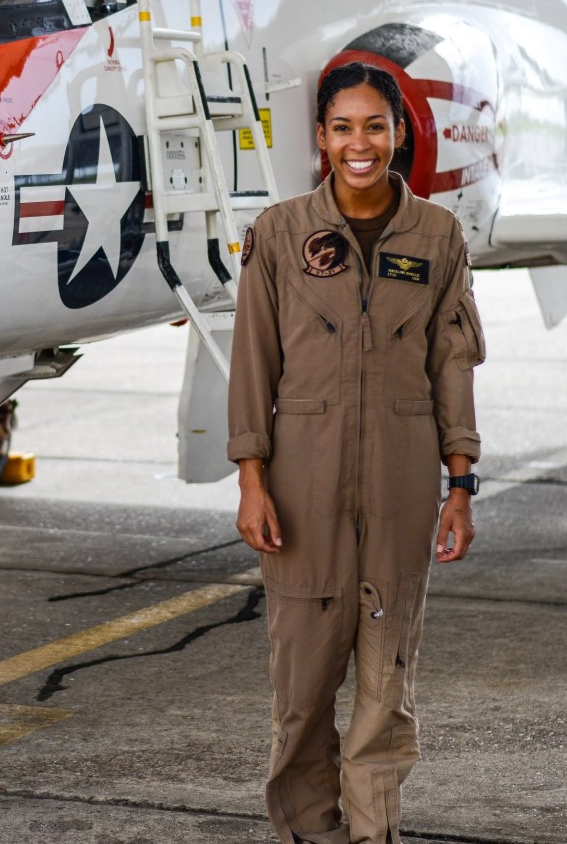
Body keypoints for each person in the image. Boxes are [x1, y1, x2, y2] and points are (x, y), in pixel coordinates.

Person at [228, 60, 485, 844]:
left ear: (399, 135)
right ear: (321, 137)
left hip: (402, 488)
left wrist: (462, 481)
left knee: (385, 693)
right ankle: (311, 832)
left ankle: (374, 836)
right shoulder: (278, 234)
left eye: (375, 126)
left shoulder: (437, 237)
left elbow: (452, 362)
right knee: (303, 695)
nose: (359, 144)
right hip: (303, 488)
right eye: (343, 128)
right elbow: (253, 364)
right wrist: (251, 478)